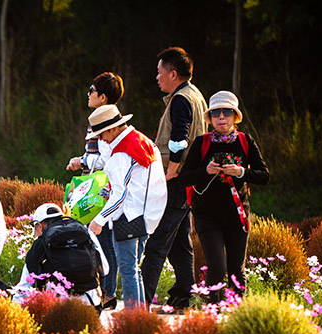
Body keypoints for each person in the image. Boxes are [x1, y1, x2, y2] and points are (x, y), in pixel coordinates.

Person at [177, 91, 269, 302]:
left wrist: (241, 172)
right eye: (216, 113)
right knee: (217, 268)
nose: (221, 117)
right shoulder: (202, 142)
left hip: (237, 216)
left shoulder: (246, 141)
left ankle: (235, 315)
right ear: (210, 118)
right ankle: (213, 314)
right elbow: (184, 178)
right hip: (207, 216)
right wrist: (205, 171)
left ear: (235, 117)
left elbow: (264, 176)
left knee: (237, 270)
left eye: (226, 112)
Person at [142, 46, 208, 311]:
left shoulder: (181, 99)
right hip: (188, 181)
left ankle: (139, 303)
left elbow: (180, 138)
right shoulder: (195, 95)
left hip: (176, 181)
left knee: (157, 242)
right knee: (180, 243)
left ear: (173, 73)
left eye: (160, 73)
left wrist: (171, 171)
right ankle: (182, 297)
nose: (156, 78)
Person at [86, 105, 168, 309]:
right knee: (133, 269)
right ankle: (139, 314)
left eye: (102, 134)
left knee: (128, 270)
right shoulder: (141, 140)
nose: (101, 139)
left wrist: (99, 220)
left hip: (129, 216)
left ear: (113, 129)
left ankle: (134, 317)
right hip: (147, 212)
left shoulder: (121, 153)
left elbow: (121, 194)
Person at [66, 71, 124, 309]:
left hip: (103, 189)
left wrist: (82, 162)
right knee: (96, 241)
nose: (88, 94)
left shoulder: (106, 122)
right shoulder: (99, 118)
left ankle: (107, 293)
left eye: (91, 90)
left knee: (104, 242)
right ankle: (100, 290)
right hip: (97, 185)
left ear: (102, 96)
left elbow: (105, 158)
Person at [18, 202, 108, 308]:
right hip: (91, 303)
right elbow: (105, 270)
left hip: (58, 308)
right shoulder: (85, 232)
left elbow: (25, 285)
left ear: (38, 225)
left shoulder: (41, 242)